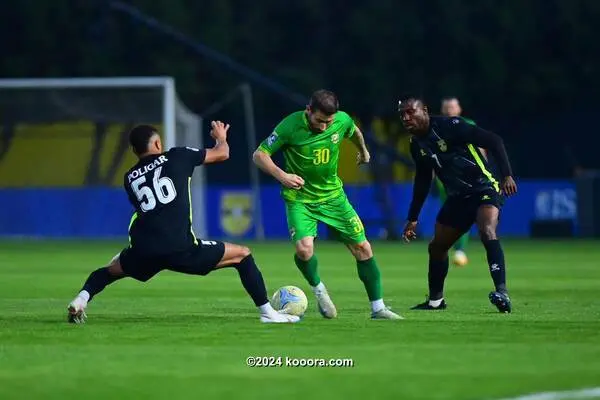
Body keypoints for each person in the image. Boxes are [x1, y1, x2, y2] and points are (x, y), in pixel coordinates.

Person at [67, 122, 299, 324]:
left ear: (135, 151)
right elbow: (222, 154)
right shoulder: (177, 156)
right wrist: (221, 138)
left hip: (144, 249)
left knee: (109, 271)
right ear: (158, 145)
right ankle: (268, 313)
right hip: (180, 247)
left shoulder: (129, 177)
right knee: (243, 255)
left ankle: (81, 299)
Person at [253, 89, 402, 320]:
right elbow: (260, 155)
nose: (324, 126)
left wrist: (363, 151)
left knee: (363, 248)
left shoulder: (341, 120)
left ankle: (378, 309)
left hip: (333, 197)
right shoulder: (290, 126)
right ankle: (319, 290)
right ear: (308, 110)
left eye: (328, 122)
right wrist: (282, 176)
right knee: (304, 250)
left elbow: (354, 132)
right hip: (300, 198)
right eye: (320, 121)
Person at [398, 97, 517, 313]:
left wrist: (507, 175)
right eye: (402, 114)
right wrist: (413, 217)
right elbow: (423, 180)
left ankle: (502, 292)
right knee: (436, 247)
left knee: (487, 230)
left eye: (410, 112)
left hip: (483, 189)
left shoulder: (451, 125)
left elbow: (495, 141)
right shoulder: (417, 144)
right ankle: (435, 301)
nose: (406, 118)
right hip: (457, 198)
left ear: (424, 110)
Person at [436, 96, 481, 266]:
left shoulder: (468, 124)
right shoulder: (437, 127)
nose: (449, 110)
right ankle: (454, 247)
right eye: (446, 107)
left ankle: (459, 249)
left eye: (452, 107)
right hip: (445, 178)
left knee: (463, 212)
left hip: (466, 176)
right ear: (442, 110)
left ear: (459, 109)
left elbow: (480, 147)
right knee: (451, 213)